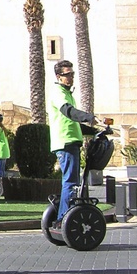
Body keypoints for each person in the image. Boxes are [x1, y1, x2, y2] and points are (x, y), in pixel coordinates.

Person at [47, 60, 99, 228]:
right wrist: (89, 117)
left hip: (71, 141)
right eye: (66, 74)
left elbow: (73, 123)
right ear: (58, 76)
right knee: (70, 182)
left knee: (72, 181)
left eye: (72, 74)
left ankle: (62, 216)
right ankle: (63, 219)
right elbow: (69, 112)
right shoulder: (58, 92)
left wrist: (95, 130)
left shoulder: (67, 93)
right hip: (65, 142)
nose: (70, 77)